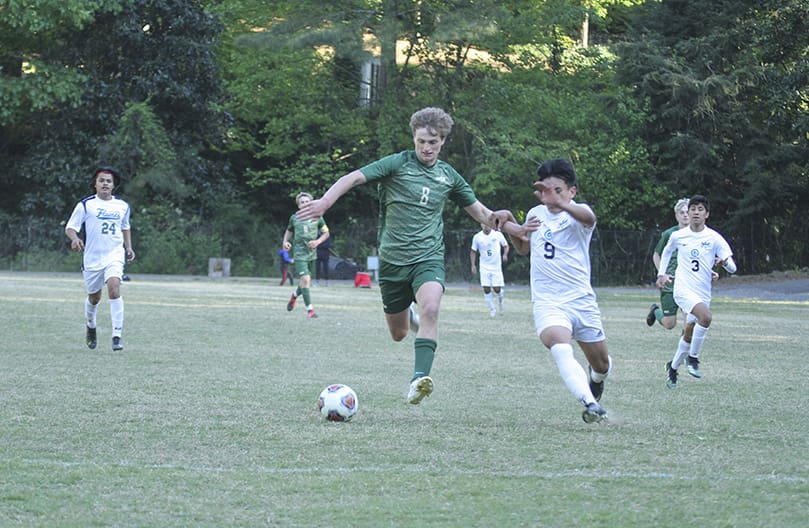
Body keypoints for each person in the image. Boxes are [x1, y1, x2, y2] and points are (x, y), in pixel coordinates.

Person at [296, 107, 536, 405]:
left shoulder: (449, 177)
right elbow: (353, 178)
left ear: (443, 141)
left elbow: (484, 215)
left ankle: (418, 380)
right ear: (414, 138)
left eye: (433, 142)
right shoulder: (397, 163)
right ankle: (409, 318)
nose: (426, 148)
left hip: (428, 258)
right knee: (398, 333)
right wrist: (324, 203)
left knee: (432, 309)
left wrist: (518, 227)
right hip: (393, 262)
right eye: (421, 141)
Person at [503, 159, 612, 423]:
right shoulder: (535, 213)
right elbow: (523, 249)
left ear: (572, 191)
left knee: (602, 365)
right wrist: (512, 230)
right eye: (545, 191)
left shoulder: (579, 212)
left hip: (581, 300)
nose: (550, 196)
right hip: (548, 301)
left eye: (558, 190)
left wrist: (561, 203)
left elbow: (590, 218)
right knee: (558, 344)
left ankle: (595, 381)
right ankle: (590, 403)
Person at [656, 194, 736, 388]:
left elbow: (733, 268)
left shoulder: (714, 238)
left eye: (700, 209)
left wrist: (724, 263)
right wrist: (662, 274)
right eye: (693, 209)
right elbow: (666, 252)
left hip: (702, 292)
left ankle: (673, 368)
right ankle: (693, 358)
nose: (696, 213)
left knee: (689, 333)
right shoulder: (678, 236)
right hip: (682, 289)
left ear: (706, 214)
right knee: (706, 317)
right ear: (688, 213)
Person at [64, 166, 135, 351]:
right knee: (94, 298)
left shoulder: (122, 206)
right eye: (102, 180)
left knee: (114, 286)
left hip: (114, 254)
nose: (105, 183)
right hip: (93, 258)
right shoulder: (86, 205)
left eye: (109, 181)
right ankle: (91, 325)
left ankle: (116, 336)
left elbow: (125, 226)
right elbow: (70, 228)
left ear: (113, 185)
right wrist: (75, 238)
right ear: (95, 184)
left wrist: (128, 247)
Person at [283, 192, 330, 318]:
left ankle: (294, 296)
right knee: (306, 279)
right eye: (302, 202)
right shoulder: (294, 218)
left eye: (307, 201)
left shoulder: (318, 217)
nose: (305, 204)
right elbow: (289, 231)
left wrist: (317, 242)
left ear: (311, 203)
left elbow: (326, 233)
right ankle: (310, 310)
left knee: (305, 282)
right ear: (299, 206)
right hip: (299, 254)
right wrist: (285, 242)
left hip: (312, 254)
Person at [646, 198, 690, 329]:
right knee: (669, 324)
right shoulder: (670, 234)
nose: (685, 215)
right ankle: (655, 310)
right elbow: (656, 255)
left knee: (690, 319)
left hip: (688, 283)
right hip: (670, 284)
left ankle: (686, 348)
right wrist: (662, 274)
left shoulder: (697, 234)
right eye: (682, 213)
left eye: (688, 212)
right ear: (677, 215)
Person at [470, 222, 509, 316]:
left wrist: (505, 254)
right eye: (483, 224)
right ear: (481, 225)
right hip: (484, 266)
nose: (485, 226)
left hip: (496, 266)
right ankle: (492, 309)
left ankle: (500, 301)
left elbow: (506, 246)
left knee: (496, 289)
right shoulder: (477, 237)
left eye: (487, 224)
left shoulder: (497, 234)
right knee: (486, 288)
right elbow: (473, 251)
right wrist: (473, 265)